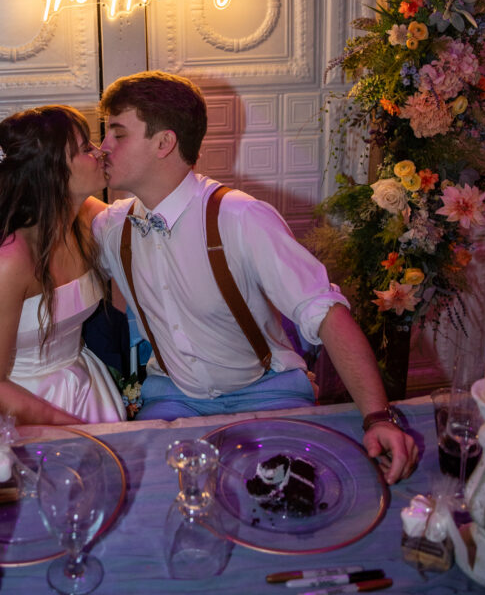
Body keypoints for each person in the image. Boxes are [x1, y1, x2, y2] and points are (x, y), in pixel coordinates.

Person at [94, 71, 419, 484]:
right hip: (174, 398)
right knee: (149, 497)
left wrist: (378, 416)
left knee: (299, 495)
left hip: (266, 391)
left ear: (164, 142)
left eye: (117, 134)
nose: (102, 147)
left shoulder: (241, 217)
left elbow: (327, 314)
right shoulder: (110, 227)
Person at [0, 105, 125, 431]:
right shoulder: (7, 259)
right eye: (86, 148)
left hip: (82, 387)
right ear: (53, 172)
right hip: (9, 407)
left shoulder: (85, 217)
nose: (99, 153)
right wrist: (73, 431)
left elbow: (139, 229)